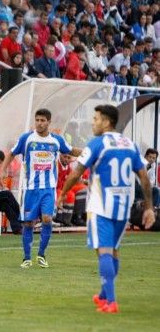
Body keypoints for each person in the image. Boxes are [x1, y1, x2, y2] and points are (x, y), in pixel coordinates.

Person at [57, 104, 155, 313]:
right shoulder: (129, 144)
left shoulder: (97, 144)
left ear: (107, 122)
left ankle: (110, 302)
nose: (93, 123)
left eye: (96, 119)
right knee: (114, 251)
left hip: (101, 206)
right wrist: (149, 207)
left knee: (103, 252)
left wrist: (63, 194)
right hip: (123, 207)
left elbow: (76, 173)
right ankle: (103, 294)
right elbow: (144, 178)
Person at [0, 109, 81, 268]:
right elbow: (11, 153)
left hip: (48, 189)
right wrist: (3, 170)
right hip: (30, 189)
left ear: (49, 122)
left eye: (43, 120)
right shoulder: (26, 138)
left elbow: (71, 150)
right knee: (28, 224)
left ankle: (42, 254)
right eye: (37, 120)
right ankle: (27, 258)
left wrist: (89, 152)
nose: (39, 123)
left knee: (47, 219)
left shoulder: (56, 140)